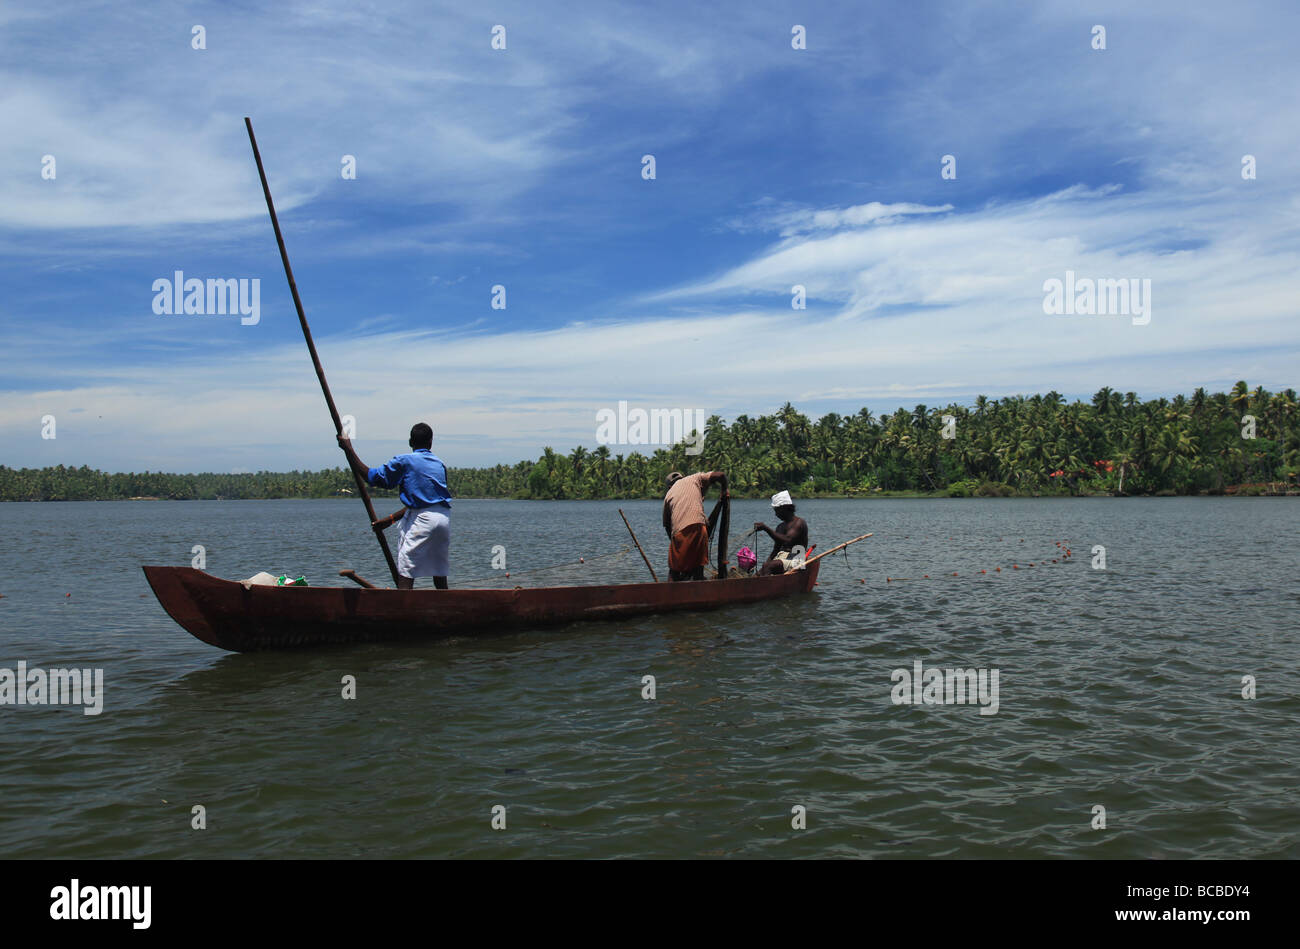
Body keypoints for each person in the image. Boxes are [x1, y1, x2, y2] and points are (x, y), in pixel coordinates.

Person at [337, 422, 452, 590]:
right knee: (439, 570)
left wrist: (349, 450)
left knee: (406, 569)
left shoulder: (405, 461)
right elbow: (425, 503)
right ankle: (446, 607)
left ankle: (401, 610)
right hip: (443, 520)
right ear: (430, 443)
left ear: (410, 442)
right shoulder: (439, 464)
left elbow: (372, 478)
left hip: (423, 520)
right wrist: (389, 520)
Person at [662, 469, 728, 581]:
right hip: (700, 528)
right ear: (683, 478)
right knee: (698, 571)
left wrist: (678, 547)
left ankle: (669, 595)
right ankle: (700, 593)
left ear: (669, 487)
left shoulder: (668, 495)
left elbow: (668, 526)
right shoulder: (695, 478)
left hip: (680, 532)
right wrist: (724, 490)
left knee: (674, 572)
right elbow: (721, 475)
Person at [754, 490, 808, 575]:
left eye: (777, 510)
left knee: (769, 567)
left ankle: (766, 587)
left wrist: (766, 528)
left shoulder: (799, 522)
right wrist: (763, 568)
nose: (776, 514)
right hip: (781, 559)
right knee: (764, 568)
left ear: (785, 508)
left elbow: (787, 540)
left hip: (796, 560)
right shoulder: (780, 527)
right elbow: (776, 550)